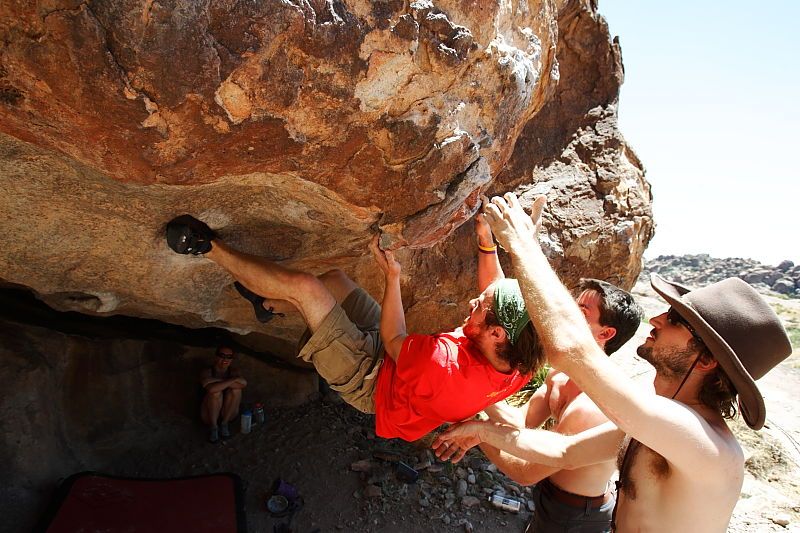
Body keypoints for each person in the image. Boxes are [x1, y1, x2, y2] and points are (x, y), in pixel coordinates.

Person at [434, 193, 792, 532]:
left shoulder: (698, 440)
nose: (657, 321)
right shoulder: (661, 423)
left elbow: (571, 350)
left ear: (706, 361)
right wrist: (480, 430)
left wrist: (523, 245)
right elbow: (564, 451)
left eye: (677, 321)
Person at [165, 214, 545, 442]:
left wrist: (392, 276)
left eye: (480, 310)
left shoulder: (445, 368)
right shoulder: (519, 356)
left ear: (496, 334)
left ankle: (205, 246)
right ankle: (267, 304)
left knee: (308, 289)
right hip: (397, 364)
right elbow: (493, 293)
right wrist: (485, 242)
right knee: (335, 281)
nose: (473, 303)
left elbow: (396, 338)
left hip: (370, 381)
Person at [435, 212, 643, 532]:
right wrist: (487, 244)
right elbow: (520, 424)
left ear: (606, 334)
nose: (563, 313)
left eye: (580, 311)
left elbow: (526, 470)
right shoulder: (558, 378)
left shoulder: (591, 405)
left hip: (577, 517)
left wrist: (476, 429)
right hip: (554, 501)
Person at [200, 345, 247, 443]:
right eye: (222, 355)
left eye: (229, 357)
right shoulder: (207, 371)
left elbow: (243, 384)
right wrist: (233, 380)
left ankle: (224, 424)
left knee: (236, 391)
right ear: (216, 356)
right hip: (209, 415)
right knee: (216, 393)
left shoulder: (234, 371)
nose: (225, 359)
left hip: (229, 414)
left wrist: (215, 381)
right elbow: (211, 389)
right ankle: (214, 427)